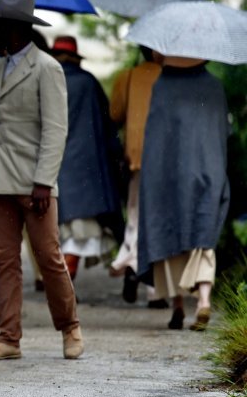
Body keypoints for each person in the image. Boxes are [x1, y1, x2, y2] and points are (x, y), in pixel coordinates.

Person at [0, 0, 82, 361]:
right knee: (4, 262)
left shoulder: (48, 68)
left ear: (18, 28)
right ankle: (9, 338)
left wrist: (44, 181)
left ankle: (70, 327)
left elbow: (56, 130)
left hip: (33, 183)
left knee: (49, 258)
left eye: (1, 26)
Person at [136, 55, 229, 331]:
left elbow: (155, 136)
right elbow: (223, 130)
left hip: (169, 173)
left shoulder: (163, 84)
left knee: (171, 236)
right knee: (203, 235)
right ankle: (202, 300)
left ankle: (177, 307)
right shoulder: (214, 85)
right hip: (207, 167)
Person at [51, 36, 123, 281]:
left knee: (60, 232)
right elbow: (108, 125)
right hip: (86, 170)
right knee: (80, 233)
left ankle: (62, 286)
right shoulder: (89, 83)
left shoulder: (47, 80)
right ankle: (66, 283)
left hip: (54, 166)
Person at [109, 47, 166, 307]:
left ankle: (131, 263)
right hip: (165, 159)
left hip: (136, 157)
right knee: (159, 219)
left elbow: (115, 114)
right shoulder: (170, 77)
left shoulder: (129, 76)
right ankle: (155, 290)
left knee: (135, 217)